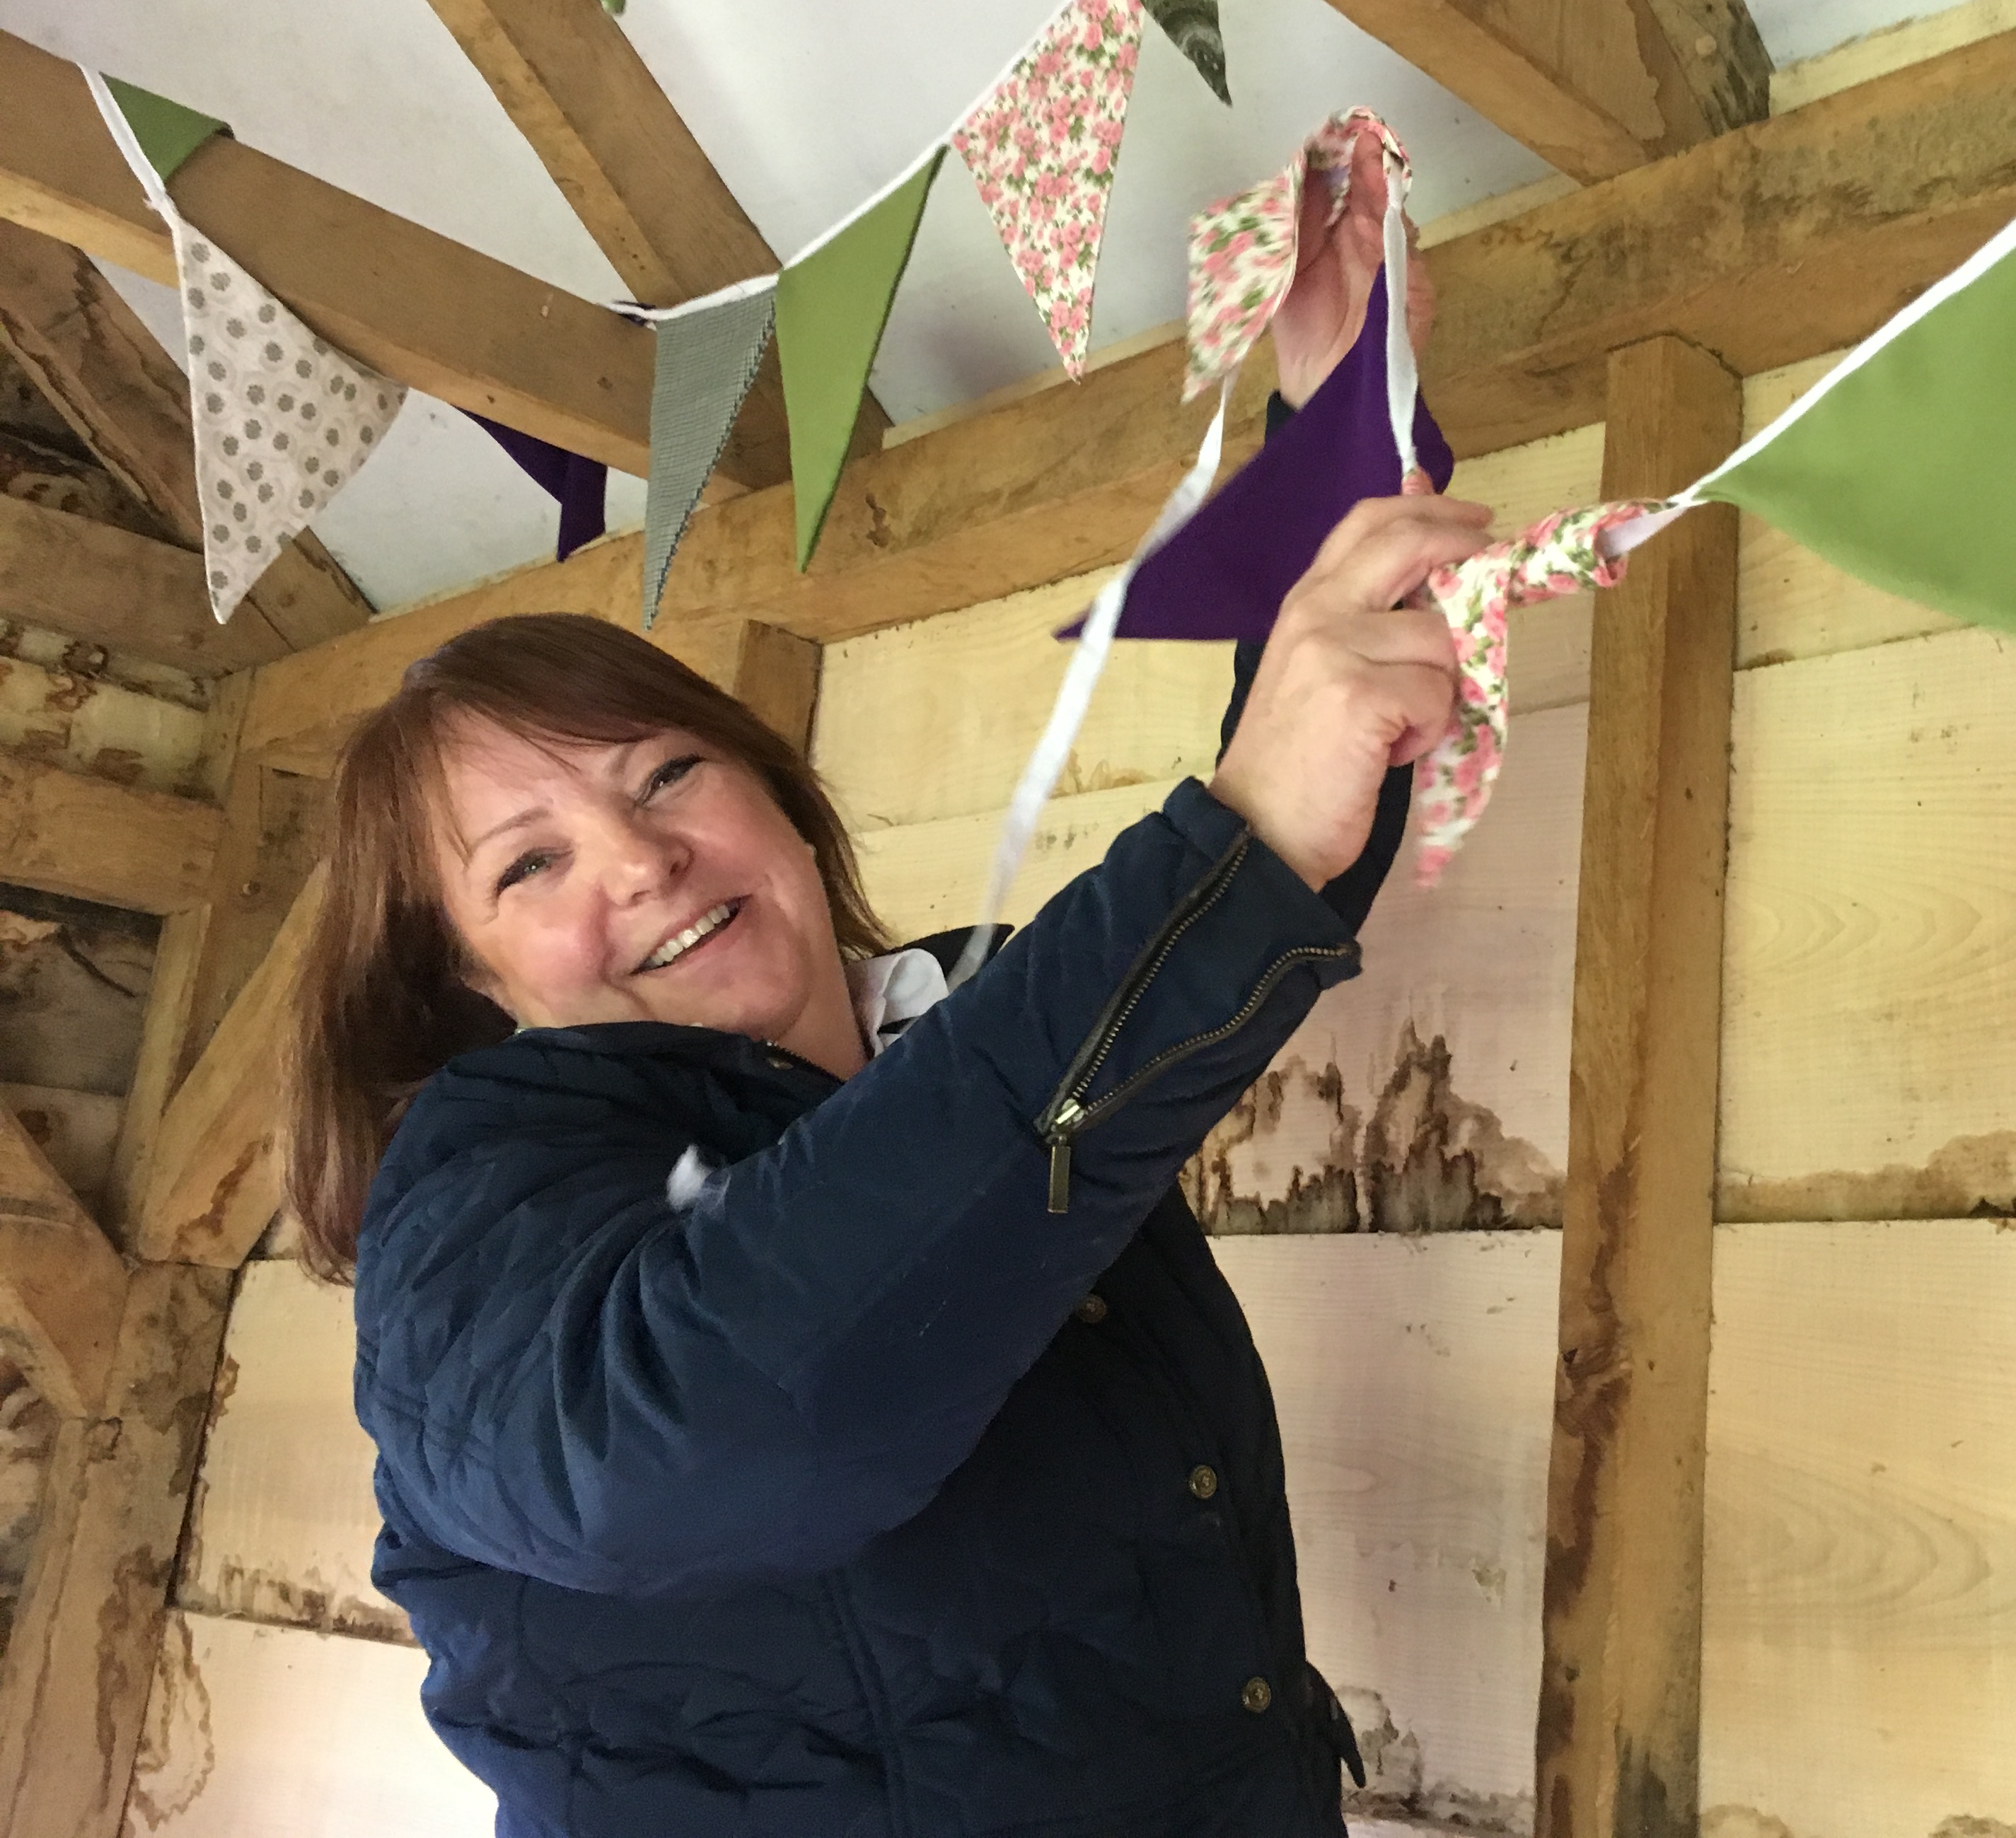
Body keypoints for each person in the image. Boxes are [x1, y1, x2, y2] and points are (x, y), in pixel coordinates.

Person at [283, 136, 1490, 1837]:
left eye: (665, 776)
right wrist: (1239, 841)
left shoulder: (963, 1031)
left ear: (780, 800)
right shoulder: (475, 1192)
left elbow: (1280, 880)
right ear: (468, 983)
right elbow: (692, 1442)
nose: (640, 860)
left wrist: (1342, 437)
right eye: (528, 866)